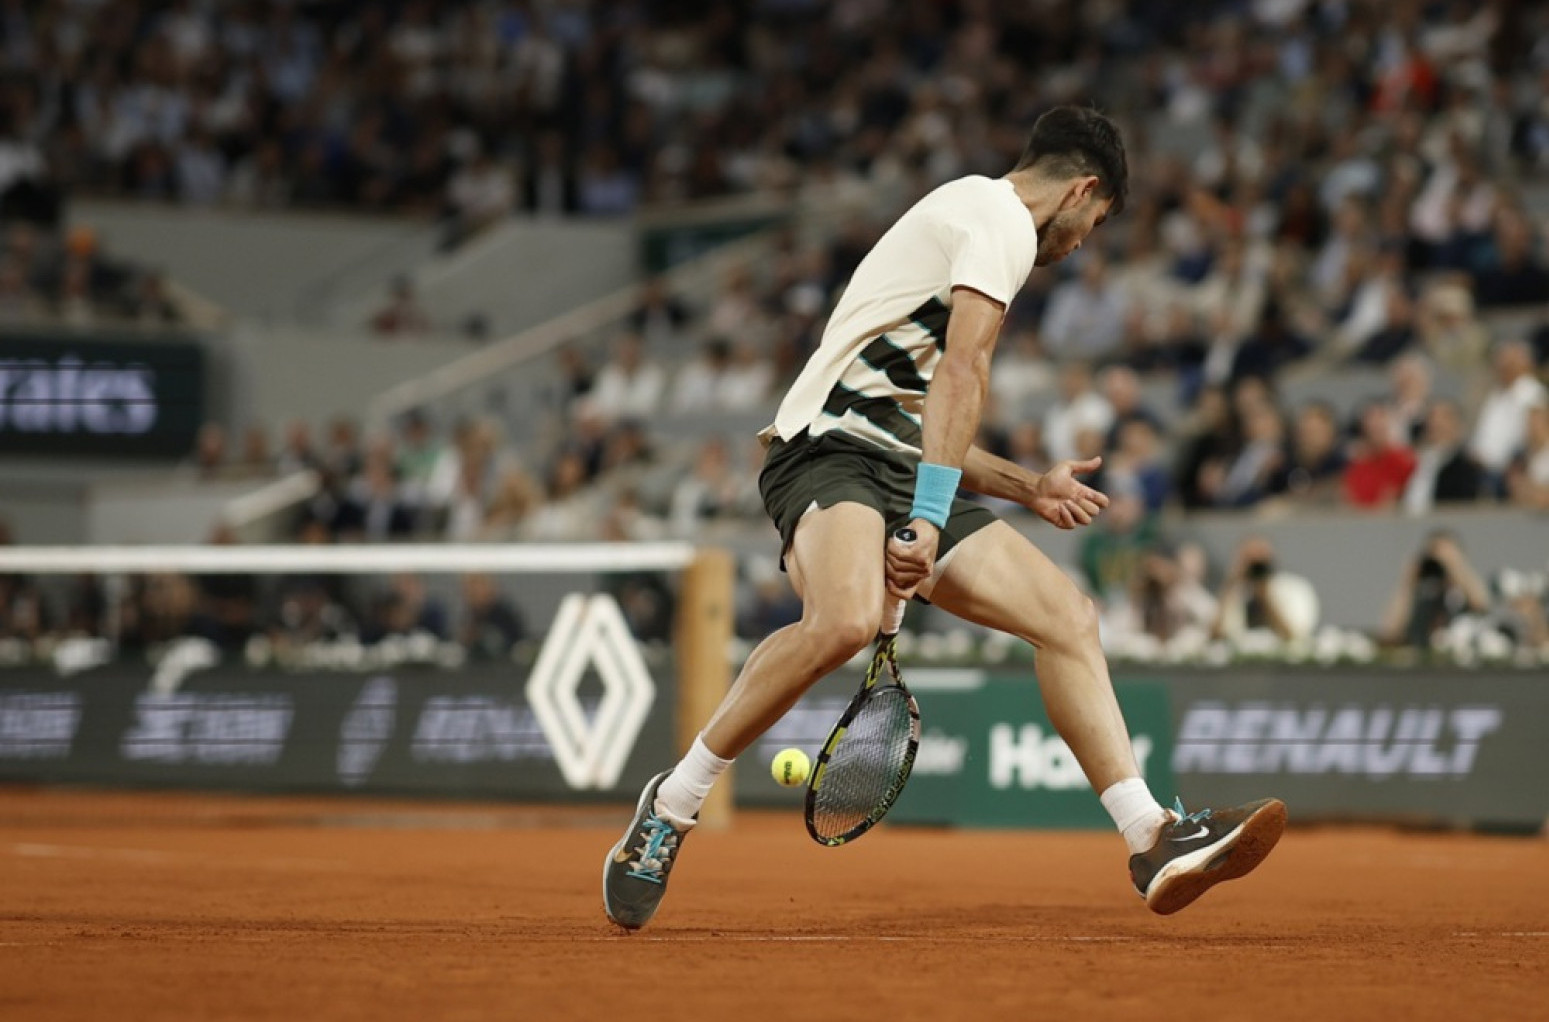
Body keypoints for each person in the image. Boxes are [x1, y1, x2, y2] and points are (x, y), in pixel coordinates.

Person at [603, 107, 1285, 931]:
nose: (1082, 244)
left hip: (897, 459)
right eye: (1096, 222)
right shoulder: (999, 219)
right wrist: (929, 517)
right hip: (823, 451)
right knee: (844, 621)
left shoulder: (972, 218)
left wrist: (1028, 486)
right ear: (1080, 190)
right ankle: (671, 805)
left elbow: (926, 419)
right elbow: (964, 371)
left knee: (1067, 618)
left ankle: (1149, 834)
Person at [1211, 536, 1321, 647]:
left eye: (1260, 560)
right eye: (1248, 560)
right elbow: (1215, 637)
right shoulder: (1235, 592)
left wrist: (1265, 596)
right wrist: (1229, 587)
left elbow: (1295, 635)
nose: (1255, 567)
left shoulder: (1294, 588)